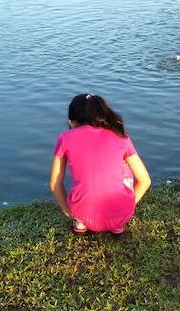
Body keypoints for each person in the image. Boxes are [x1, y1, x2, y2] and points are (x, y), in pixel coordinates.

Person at [49, 94, 151, 235]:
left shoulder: (65, 138)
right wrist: (127, 207)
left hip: (82, 213)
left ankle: (80, 224)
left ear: (71, 122)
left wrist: (68, 212)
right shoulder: (121, 137)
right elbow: (145, 181)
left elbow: (55, 183)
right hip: (121, 215)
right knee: (123, 166)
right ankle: (117, 226)